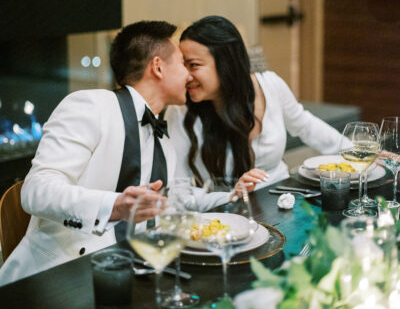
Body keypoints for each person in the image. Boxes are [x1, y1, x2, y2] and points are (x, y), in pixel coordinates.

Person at [0, 20, 192, 285]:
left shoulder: (164, 140)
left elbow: (175, 201)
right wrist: (113, 206)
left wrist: (231, 194)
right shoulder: (89, 106)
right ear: (158, 66)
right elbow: (36, 191)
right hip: (57, 278)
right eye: (183, 63)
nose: (189, 75)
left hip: (131, 276)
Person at [166, 15, 344, 198]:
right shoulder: (180, 110)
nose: (185, 76)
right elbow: (178, 190)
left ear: (226, 64)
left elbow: (304, 125)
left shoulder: (270, 84)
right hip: (225, 214)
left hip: (282, 197)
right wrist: (231, 195)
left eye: (193, 65)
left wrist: (352, 152)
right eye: (182, 65)